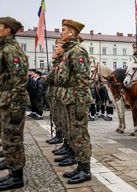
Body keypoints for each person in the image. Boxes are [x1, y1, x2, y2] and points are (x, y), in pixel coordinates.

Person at [57, 19, 93, 184]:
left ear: (72, 32)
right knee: (74, 134)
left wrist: (80, 103)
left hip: (77, 99)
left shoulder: (77, 51)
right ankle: (80, 165)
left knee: (80, 135)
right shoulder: (69, 52)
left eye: (63, 29)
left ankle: (85, 170)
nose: (61, 32)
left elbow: (83, 79)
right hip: (70, 98)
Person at [0, 16, 29, 190]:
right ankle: (12, 171)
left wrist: (17, 106)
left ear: (8, 29)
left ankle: (17, 176)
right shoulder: (4, 47)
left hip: (12, 102)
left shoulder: (11, 49)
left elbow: (20, 79)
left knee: (13, 138)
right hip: (5, 100)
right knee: (7, 137)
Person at [45, 39, 65, 145]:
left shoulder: (62, 62)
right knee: (55, 115)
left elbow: (50, 79)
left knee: (61, 117)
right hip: (54, 93)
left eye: (57, 47)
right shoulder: (56, 63)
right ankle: (58, 134)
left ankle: (61, 137)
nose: (54, 49)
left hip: (59, 94)